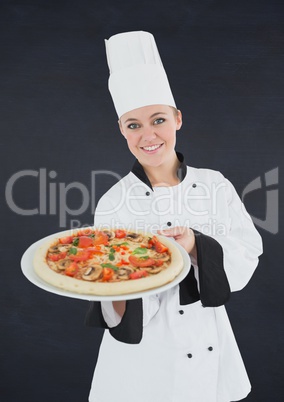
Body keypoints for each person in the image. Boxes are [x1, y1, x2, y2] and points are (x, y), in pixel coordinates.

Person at [86, 31, 263, 402]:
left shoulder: (215, 185)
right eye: (133, 125)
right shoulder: (114, 202)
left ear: (178, 119)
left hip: (209, 350)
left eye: (158, 120)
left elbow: (248, 252)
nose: (148, 135)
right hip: (142, 363)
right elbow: (109, 290)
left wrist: (196, 246)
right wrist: (124, 274)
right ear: (121, 130)